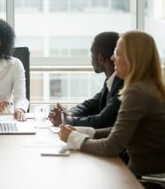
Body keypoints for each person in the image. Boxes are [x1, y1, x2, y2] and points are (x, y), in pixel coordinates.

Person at [58, 30, 165, 178]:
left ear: (133, 58)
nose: (113, 58)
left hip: (147, 179)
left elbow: (112, 146)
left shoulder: (137, 92)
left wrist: (73, 138)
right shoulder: (147, 86)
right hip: (143, 173)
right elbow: (117, 130)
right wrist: (78, 131)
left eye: (118, 53)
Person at [49, 32, 124, 128]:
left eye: (92, 53)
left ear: (101, 59)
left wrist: (66, 120)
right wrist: (69, 113)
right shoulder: (111, 80)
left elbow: (101, 121)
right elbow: (92, 105)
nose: (91, 58)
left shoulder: (122, 84)